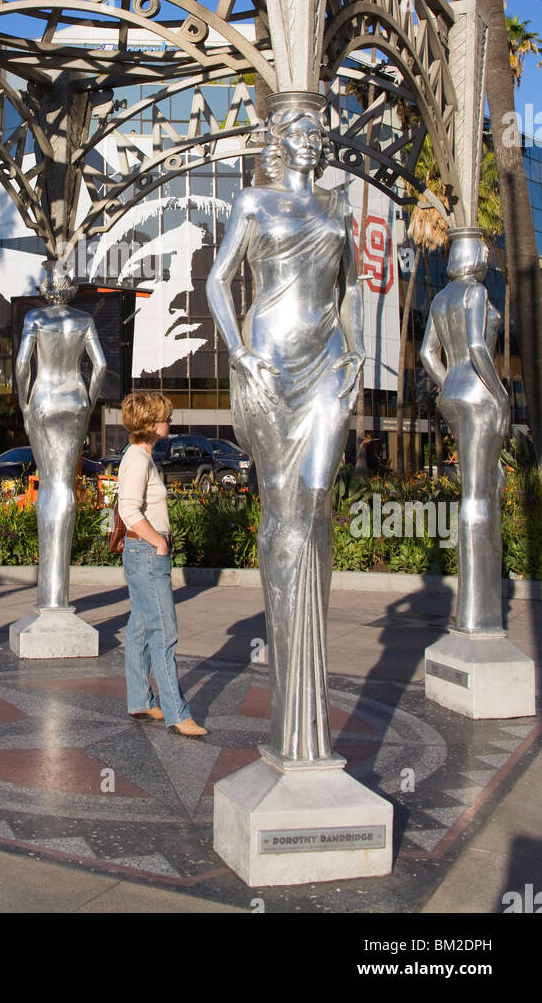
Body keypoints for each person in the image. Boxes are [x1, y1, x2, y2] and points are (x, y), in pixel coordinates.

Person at [206, 91, 364, 763]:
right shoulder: (252, 201)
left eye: (318, 128)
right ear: (278, 135)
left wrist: (354, 346)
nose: (314, 137)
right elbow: (218, 280)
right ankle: (289, 691)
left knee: (316, 500)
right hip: (269, 361)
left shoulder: (337, 207)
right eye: (302, 127)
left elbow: (348, 286)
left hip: (328, 359)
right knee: (284, 509)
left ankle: (307, 665)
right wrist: (237, 350)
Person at [420, 229, 509, 634]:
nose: (488, 258)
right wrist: (501, 395)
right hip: (478, 394)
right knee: (478, 497)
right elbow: (476, 347)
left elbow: (426, 354)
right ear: (475, 255)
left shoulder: (440, 299)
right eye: (485, 252)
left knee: (487, 486)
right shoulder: (474, 293)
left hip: (455, 392)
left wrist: (448, 384)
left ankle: (478, 603)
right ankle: (478, 613)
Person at [16, 261, 106, 610]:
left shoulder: (35, 319)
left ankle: (51, 598)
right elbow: (99, 366)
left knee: (49, 486)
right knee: (64, 486)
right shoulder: (85, 320)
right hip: (75, 399)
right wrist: (88, 401)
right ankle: (57, 596)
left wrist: (24, 403)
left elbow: (23, 365)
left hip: (43, 399)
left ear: (46, 287)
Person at [117, 389, 207, 736]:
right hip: (146, 554)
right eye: (165, 417)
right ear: (151, 424)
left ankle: (140, 700)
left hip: (143, 554)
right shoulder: (138, 459)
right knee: (164, 632)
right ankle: (177, 713)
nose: (169, 421)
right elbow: (129, 510)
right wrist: (158, 542)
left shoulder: (140, 456)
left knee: (140, 628)